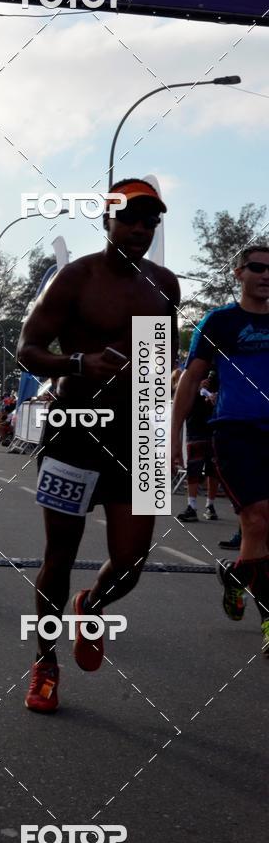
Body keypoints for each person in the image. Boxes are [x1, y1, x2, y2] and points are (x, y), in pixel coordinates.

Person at [17, 179, 179, 712]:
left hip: (138, 433)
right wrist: (78, 363)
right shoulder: (76, 278)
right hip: (75, 428)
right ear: (107, 221)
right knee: (59, 555)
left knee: (130, 561)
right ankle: (45, 662)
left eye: (150, 221)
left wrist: (162, 426)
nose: (140, 228)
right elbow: (27, 349)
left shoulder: (165, 285)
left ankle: (91, 604)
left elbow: (161, 362)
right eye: (129, 217)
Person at [172, 245, 269, 653]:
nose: (266, 275)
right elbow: (190, 380)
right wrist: (172, 436)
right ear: (238, 273)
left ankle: (235, 575)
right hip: (235, 433)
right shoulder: (220, 321)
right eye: (258, 267)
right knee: (258, 519)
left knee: (259, 529)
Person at [176, 371, 220, 521]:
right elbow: (179, 393)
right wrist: (195, 388)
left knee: (213, 470)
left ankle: (210, 505)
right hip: (194, 428)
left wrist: (218, 396)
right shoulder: (191, 371)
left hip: (214, 428)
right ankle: (192, 506)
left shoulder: (219, 372)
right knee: (193, 468)